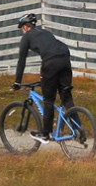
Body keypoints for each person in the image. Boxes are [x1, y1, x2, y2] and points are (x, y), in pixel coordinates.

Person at [11, 13, 75, 144]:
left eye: (21, 28)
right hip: (65, 59)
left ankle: (45, 134)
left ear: (24, 27)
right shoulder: (46, 32)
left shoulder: (27, 37)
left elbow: (21, 61)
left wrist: (17, 82)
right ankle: (78, 131)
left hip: (50, 63)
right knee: (66, 97)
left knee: (48, 99)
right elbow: (58, 45)